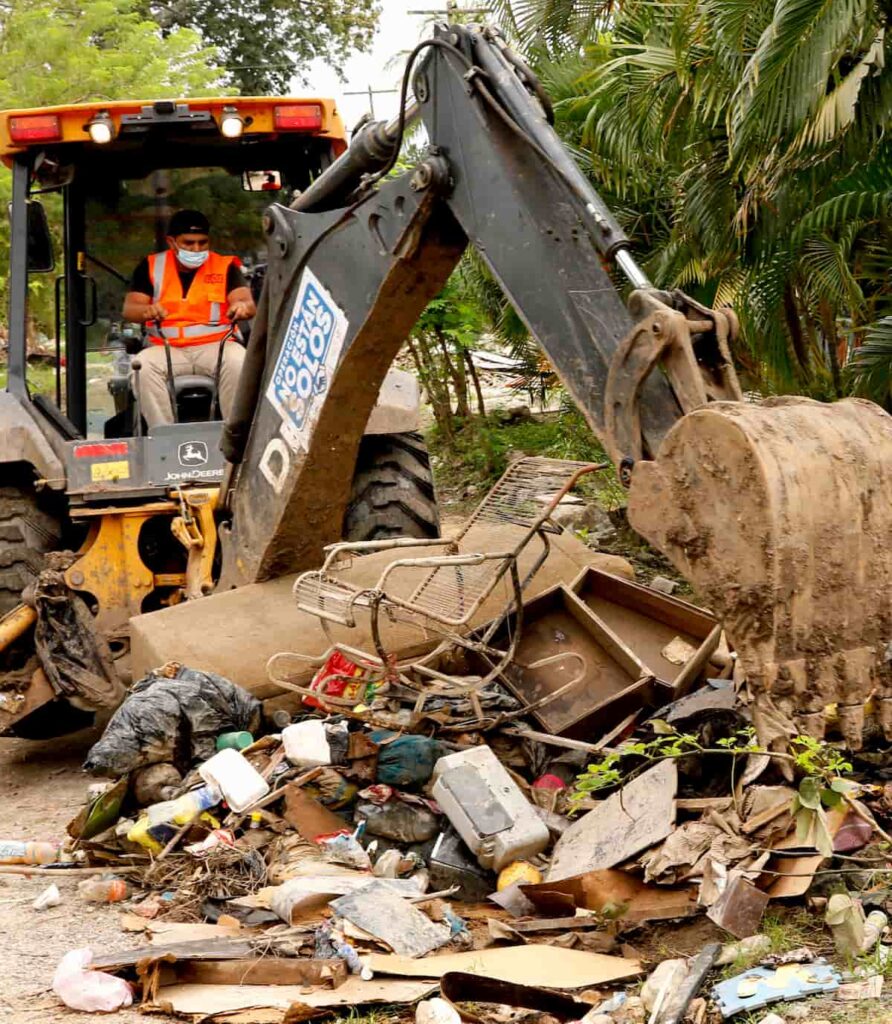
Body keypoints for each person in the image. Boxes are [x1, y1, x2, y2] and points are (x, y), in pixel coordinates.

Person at [122, 209, 256, 428]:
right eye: (189, 243)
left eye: (203, 243)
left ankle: (237, 438)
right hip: (165, 349)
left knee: (240, 362)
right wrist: (146, 311)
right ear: (171, 242)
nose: (197, 249)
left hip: (217, 347)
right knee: (142, 368)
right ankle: (164, 435)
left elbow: (245, 302)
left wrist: (242, 306)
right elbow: (130, 309)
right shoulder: (150, 266)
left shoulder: (225, 266)